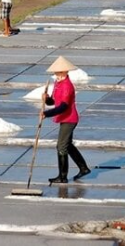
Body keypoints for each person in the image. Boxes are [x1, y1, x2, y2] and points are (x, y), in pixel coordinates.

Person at [41, 56, 91, 184]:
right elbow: (54, 101)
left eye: (59, 72)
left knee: (61, 146)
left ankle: (62, 177)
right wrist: (46, 99)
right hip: (63, 117)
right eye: (55, 72)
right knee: (67, 145)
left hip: (69, 118)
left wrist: (47, 114)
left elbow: (63, 106)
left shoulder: (67, 86)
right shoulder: (58, 84)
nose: (57, 74)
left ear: (65, 72)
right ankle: (83, 168)